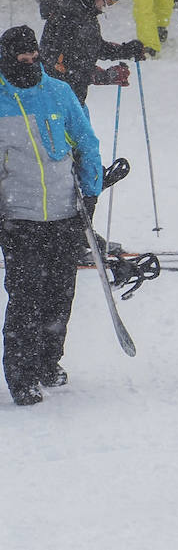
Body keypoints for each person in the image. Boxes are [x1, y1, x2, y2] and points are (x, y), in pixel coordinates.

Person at [0, 25, 104, 405]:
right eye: (19, 56)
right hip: (19, 218)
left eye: (32, 54)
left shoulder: (58, 94)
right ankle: (22, 375)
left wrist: (91, 195)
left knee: (60, 295)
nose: (27, 61)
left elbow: (87, 143)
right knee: (25, 297)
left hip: (64, 215)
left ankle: (47, 361)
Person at [39, 0, 146, 105]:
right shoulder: (68, 13)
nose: (106, 6)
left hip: (75, 101)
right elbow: (59, 64)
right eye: (108, 1)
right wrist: (103, 76)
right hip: (57, 102)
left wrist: (125, 51)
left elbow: (92, 47)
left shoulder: (85, 12)